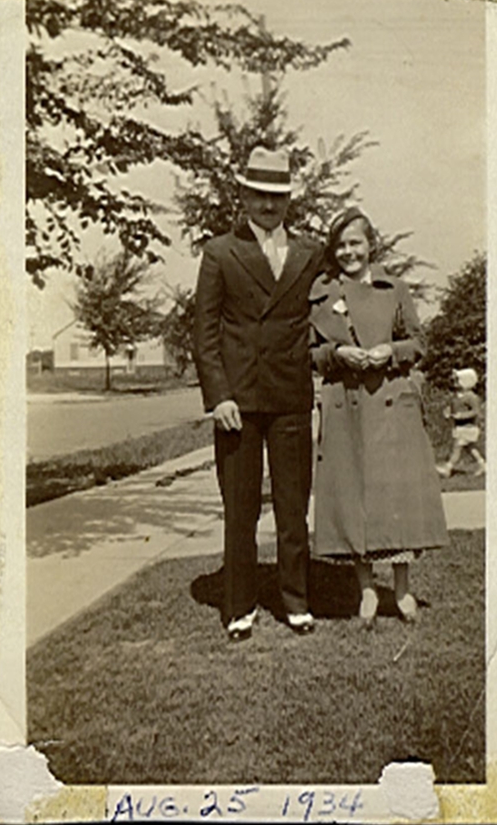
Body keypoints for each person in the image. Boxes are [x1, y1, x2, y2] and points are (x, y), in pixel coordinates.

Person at [193, 146, 323, 642]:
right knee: (240, 510)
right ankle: (239, 606)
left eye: (278, 196)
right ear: (244, 195)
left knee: (293, 508)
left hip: (291, 396)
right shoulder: (220, 252)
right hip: (237, 404)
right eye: (259, 195)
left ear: (289, 200)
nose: (268, 206)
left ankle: (296, 602)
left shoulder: (311, 252)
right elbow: (204, 332)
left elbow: (331, 307)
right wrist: (219, 395)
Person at [309, 207, 448, 628]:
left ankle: (402, 591)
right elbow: (308, 354)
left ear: (371, 245)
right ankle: (367, 591)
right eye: (342, 245)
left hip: (390, 403)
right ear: (334, 251)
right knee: (354, 499)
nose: (349, 251)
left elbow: (419, 342)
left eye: (356, 242)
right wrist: (336, 354)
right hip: (346, 405)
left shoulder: (395, 288)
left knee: (396, 499)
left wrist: (393, 351)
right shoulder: (320, 293)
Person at [437, 368, 486, 478]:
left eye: (457, 380)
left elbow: (475, 411)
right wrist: (448, 412)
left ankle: (448, 467)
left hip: (468, 427)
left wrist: (462, 416)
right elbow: (453, 407)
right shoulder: (457, 396)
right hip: (460, 427)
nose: (454, 383)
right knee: (471, 448)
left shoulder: (471, 397)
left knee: (457, 447)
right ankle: (482, 464)